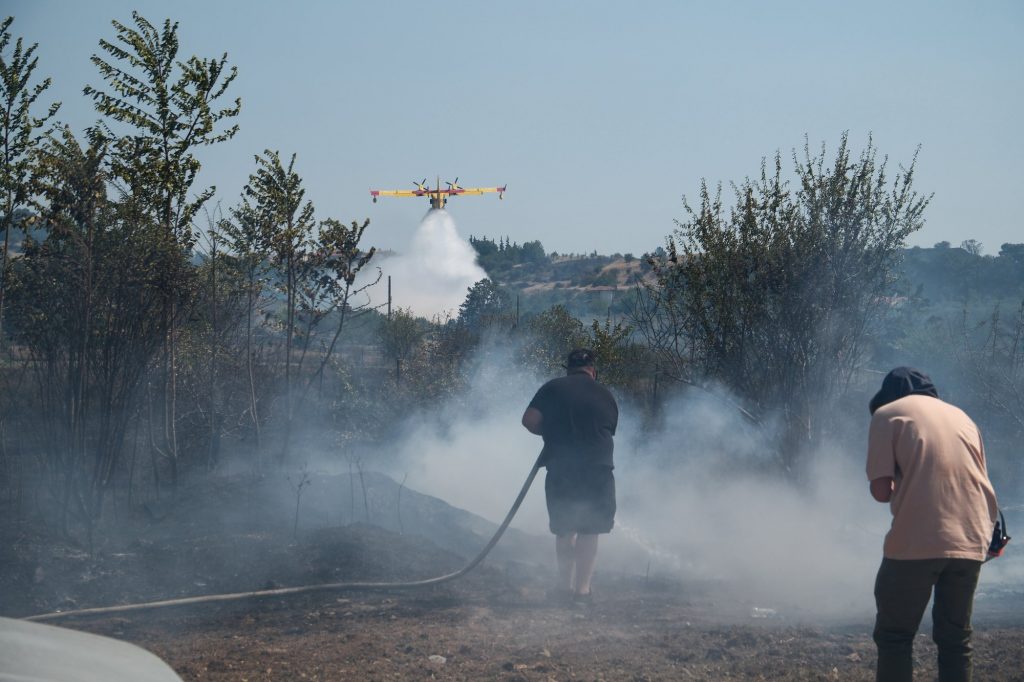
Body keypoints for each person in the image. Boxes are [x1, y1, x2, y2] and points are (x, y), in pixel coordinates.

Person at [866, 367, 999, 682]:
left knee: (895, 635)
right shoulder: (963, 418)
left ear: (889, 396)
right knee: (956, 640)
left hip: (918, 540)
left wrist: (906, 482)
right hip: (972, 538)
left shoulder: (887, 414)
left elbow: (881, 492)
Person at [521, 348, 618, 606]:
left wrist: (552, 433)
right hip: (597, 470)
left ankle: (563, 589)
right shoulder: (605, 395)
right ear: (593, 371)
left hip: (562, 469)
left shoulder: (553, 388)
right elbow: (607, 430)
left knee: (565, 529)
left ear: (568, 369)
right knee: (590, 530)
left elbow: (529, 420)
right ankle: (582, 593)